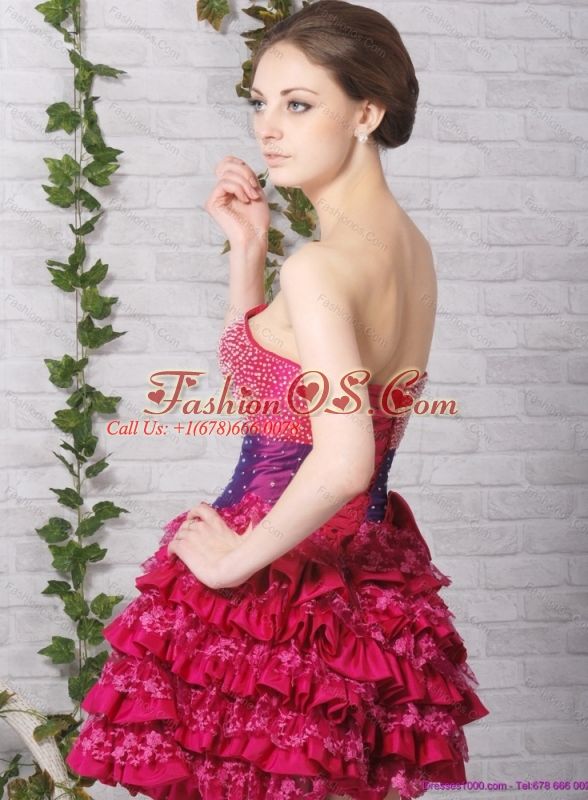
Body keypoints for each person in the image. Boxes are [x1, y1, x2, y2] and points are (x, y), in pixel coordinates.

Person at [65, 2, 489, 799]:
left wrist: (232, 564)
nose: (268, 128)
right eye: (260, 102)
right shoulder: (406, 251)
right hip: (366, 582)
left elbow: (343, 458)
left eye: (297, 104)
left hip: (277, 583)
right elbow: (275, 398)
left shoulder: (321, 268)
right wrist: (249, 251)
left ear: (366, 113)